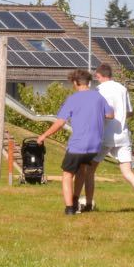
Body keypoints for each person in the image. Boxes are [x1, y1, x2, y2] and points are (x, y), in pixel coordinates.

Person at [31, 68, 110, 217]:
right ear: (89, 82)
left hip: (78, 144)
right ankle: (75, 199)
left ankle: (69, 208)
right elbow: (110, 114)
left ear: (75, 82)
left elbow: (60, 122)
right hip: (94, 146)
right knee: (82, 169)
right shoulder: (99, 97)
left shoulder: (73, 99)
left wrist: (43, 135)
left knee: (67, 175)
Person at [94, 59, 134, 216]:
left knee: (89, 169)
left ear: (99, 75)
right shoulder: (122, 88)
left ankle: (88, 201)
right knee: (127, 172)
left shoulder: (99, 90)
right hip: (123, 135)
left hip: (106, 135)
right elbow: (130, 112)